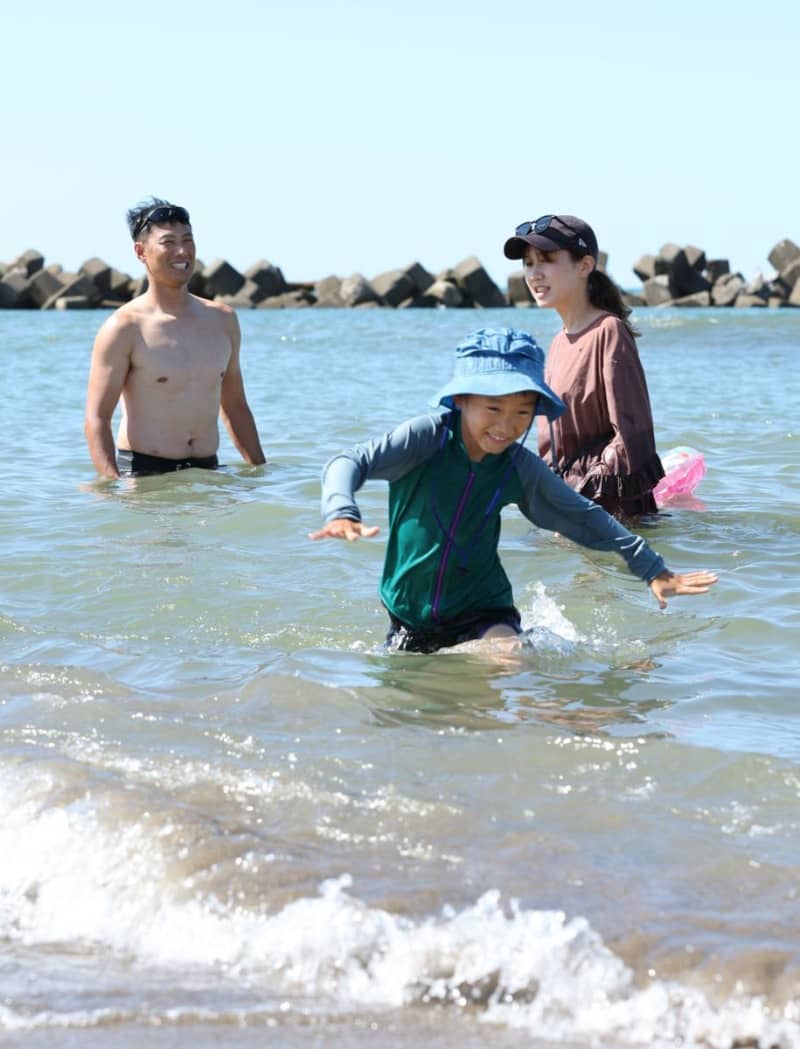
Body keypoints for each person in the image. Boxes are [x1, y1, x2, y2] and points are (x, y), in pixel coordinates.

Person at [310, 328, 717, 654]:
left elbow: (582, 516)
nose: (507, 426)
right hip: (407, 612)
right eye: (493, 409)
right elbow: (348, 461)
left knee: (508, 662)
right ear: (462, 400)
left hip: (484, 610)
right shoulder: (425, 440)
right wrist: (341, 511)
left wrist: (651, 568)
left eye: (523, 413)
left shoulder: (516, 467)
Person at [84, 197, 265, 478]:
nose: (182, 251)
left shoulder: (223, 320)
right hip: (144, 475)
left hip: (208, 471)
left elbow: (236, 406)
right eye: (168, 242)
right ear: (141, 251)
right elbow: (97, 419)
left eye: (188, 240)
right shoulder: (124, 327)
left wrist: (261, 475)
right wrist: (112, 487)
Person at [504, 214, 664, 518]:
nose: (534, 273)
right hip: (567, 509)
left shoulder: (609, 331)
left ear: (585, 265)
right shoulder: (557, 342)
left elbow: (633, 440)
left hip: (609, 516)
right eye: (528, 263)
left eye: (546, 259)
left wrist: (582, 503)